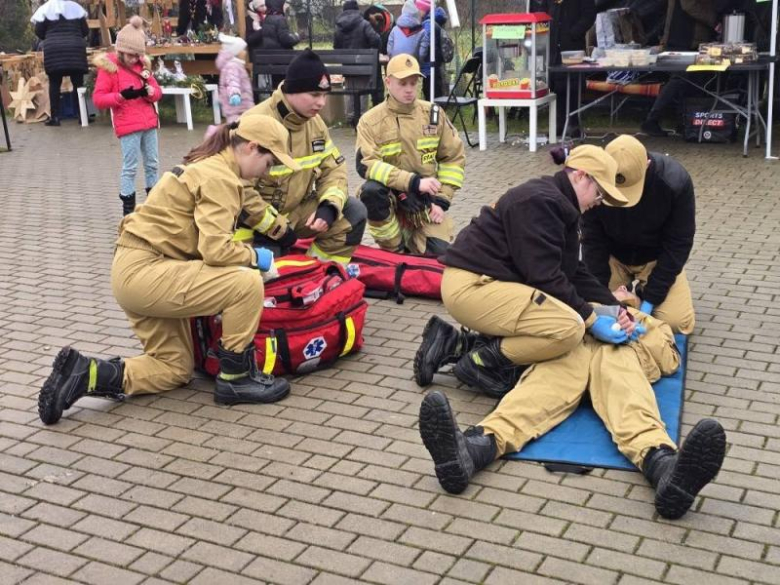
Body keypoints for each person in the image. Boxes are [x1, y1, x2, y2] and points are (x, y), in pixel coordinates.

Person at [38, 115, 299, 426]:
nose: (266, 174)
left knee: (173, 368)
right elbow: (215, 251)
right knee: (244, 282)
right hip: (149, 271)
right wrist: (256, 257)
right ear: (251, 148)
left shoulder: (210, 165)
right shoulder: (221, 178)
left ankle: (85, 373)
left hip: (134, 272)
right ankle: (237, 377)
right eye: (268, 163)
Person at [417, 305, 727, 520]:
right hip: (573, 348)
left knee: (629, 399)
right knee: (534, 394)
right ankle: (472, 449)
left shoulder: (649, 319)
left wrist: (636, 326)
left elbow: (669, 360)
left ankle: (665, 469)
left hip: (618, 354)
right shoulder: (577, 304)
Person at [414, 145, 631, 396]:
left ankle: (454, 343)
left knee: (562, 315)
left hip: (482, 283)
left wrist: (615, 307)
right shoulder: (541, 202)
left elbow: (572, 271)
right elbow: (544, 276)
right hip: (473, 287)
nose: (598, 202)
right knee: (569, 328)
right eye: (599, 193)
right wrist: (591, 319)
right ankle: (479, 364)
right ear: (580, 175)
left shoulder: (558, 203)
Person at [242, 50, 367, 263]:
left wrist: (329, 207)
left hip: (295, 214)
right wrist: (277, 228)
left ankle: (316, 271)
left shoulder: (315, 123)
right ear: (293, 90)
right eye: (315, 95)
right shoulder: (255, 122)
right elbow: (240, 192)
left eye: (325, 95)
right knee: (268, 278)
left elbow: (334, 169)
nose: (322, 103)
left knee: (353, 212)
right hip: (254, 222)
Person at [581, 135, 696, 334]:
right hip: (613, 258)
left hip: (656, 260)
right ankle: (628, 297)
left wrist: (649, 301)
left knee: (676, 323)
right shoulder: (593, 180)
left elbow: (679, 244)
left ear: (647, 164)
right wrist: (599, 297)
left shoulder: (675, 182)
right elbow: (593, 242)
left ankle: (640, 296)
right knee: (589, 310)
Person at [355, 54, 465, 256]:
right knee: (370, 191)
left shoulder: (433, 114)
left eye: (414, 83)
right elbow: (367, 164)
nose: (409, 89)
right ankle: (394, 250)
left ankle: (417, 240)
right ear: (388, 82)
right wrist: (410, 183)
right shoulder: (370, 121)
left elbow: (453, 159)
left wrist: (441, 201)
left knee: (439, 257)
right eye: (402, 83)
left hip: (426, 202)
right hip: (391, 198)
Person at [92, 16, 163, 217]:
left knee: (152, 164)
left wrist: (151, 93)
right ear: (121, 51)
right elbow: (98, 98)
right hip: (128, 125)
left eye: (138, 55)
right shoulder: (109, 68)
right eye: (131, 55)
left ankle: (153, 208)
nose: (135, 59)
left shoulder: (143, 65)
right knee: (130, 167)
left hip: (148, 122)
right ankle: (128, 211)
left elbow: (158, 91)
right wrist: (121, 96)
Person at [640, 0, 718, 136]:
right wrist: (714, 20)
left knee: (690, 82)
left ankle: (685, 123)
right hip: (683, 38)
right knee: (680, 79)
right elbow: (690, 5)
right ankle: (652, 120)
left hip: (685, 38)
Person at [532, 0, 596, 138]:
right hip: (552, 45)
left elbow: (589, 15)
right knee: (556, 86)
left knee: (573, 85)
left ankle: (573, 124)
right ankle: (558, 124)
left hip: (572, 46)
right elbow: (541, 12)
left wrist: (574, 32)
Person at [31, 0, 89, 127]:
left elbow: (38, 31)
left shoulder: (46, 9)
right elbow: (85, 31)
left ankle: (55, 117)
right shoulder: (76, 8)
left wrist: (50, 36)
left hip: (54, 49)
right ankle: (82, 116)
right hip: (75, 48)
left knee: (54, 83)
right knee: (78, 84)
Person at [333, 1, 381, 124]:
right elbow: (376, 41)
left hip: (347, 68)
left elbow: (336, 47)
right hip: (363, 66)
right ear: (357, 9)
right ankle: (362, 117)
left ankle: (350, 117)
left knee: (349, 89)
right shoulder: (364, 24)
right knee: (362, 91)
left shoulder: (339, 26)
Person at [215, 33, 254, 124]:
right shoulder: (232, 66)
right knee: (236, 127)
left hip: (241, 107)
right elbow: (232, 81)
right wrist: (234, 94)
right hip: (237, 107)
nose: (245, 52)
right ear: (236, 52)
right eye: (243, 50)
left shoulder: (236, 65)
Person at [261, 0, 301, 89]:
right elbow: (286, 40)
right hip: (283, 60)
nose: (285, 6)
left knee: (277, 86)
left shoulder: (267, 18)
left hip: (272, 61)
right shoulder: (280, 19)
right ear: (279, 5)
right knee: (285, 85)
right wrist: (297, 37)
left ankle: (277, 101)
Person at [421, 7, 450, 101]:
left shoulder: (428, 24)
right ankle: (438, 109)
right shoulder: (437, 25)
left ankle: (433, 112)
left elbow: (425, 44)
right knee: (436, 89)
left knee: (430, 90)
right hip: (436, 63)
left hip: (429, 64)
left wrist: (419, 57)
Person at [387, 0, 428, 65]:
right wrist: (417, 64)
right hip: (412, 66)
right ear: (417, 13)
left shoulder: (394, 30)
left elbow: (389, 50)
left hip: (395, 64)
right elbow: (422, 54)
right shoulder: (422, 32)